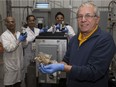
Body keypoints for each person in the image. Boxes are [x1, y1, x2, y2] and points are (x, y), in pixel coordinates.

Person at [39, 2, 116, 87]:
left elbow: (94, 72)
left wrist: (62, 67)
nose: (83, 20)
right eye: (80, 16)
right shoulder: (74, 39)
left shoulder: (104, 40)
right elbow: (66, 61)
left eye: (88, 16)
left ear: (97, 19)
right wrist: (54, 64)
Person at [1, 16, 27, 87]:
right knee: (9, 84)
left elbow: (24, 46)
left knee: (18, 83)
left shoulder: (19, 33)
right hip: (10, 66)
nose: (11, 23)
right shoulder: (4, 36)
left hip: (19, 64)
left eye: (12, 22)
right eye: (8, 22)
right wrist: (19, 40)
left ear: (15, 23)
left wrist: (24, 39)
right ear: (5, 24)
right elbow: (8, 48)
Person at [23, 15, 41, 87]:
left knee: (38, 74)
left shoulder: (38, 30)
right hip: (28, 55)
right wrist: (35, 36)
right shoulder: (24, 31)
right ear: (27, 22)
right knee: (28, 74)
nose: (31, 22)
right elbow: (24, 44)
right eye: (30, 20)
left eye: (33, 20)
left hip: (38, 55)